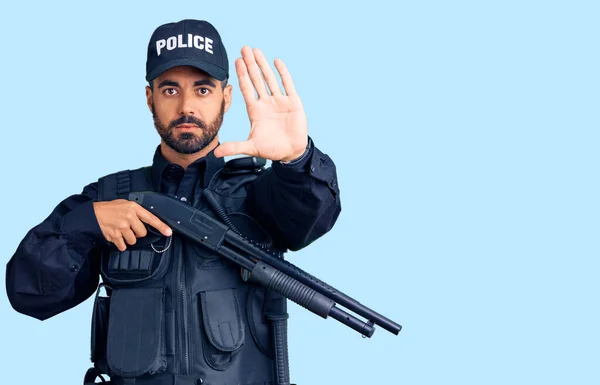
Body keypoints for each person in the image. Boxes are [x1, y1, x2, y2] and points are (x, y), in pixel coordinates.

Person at [5, 19, 341, 385]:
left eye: (202, 90)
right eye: (169, 90)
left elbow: (313, 215)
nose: (186, 107)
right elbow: (28, 294)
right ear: (149, 97)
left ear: (226, 97)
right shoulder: (107, 197)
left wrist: (296, 159)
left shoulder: (261, 193)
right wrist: (85, 226)